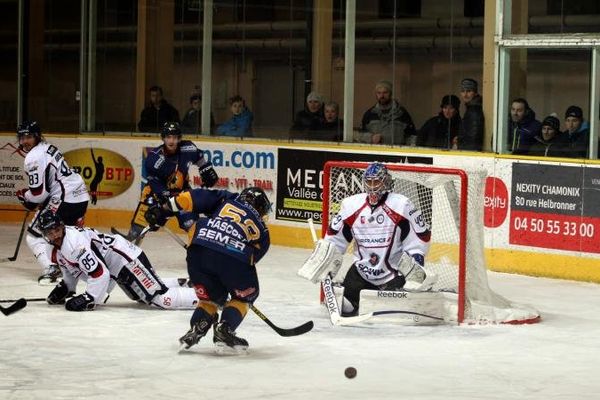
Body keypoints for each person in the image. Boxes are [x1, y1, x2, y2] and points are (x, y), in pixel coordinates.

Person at [297, 162, 435, 317]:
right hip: (360, 273)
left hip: (393, 275)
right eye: (369, 182)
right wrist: (325, 257)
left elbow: (420, 236)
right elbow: (335, 238)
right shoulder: (351, 205)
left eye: (376, 181)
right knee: (344, 307)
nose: (372, 186)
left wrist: (415, 264)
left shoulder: (402, 205)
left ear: (386, 182)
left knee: (388, 315)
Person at [144, 186, 271, 353]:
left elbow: (190, 197)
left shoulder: (226, 198)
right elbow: (250, 260)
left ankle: (197, 327)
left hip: (198, 250)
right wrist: (232, 285)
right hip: (233, 258)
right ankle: (224, 329)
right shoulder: (263, 229)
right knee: (247, 294)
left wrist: (163, 211)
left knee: (210, 298)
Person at [37, 210, 198, 311]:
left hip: (125, 259)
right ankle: (185, 283)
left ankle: (210, 297)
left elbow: (99, 274)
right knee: (139, 297)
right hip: (116, 265)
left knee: (161, 299)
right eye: (50, 233)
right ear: (44, 235)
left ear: (63, 227)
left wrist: (90, 298)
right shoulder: (53, 249)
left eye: (57, 230)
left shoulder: (74, 244)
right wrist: (66, 287)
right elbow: (70, 269)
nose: (55, 235)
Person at [15, 120, 90, 285]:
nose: (24, 141)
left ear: (37, 136)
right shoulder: (47, 147)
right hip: (80, 197)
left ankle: (51, 268)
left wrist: (25, 197)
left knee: (34, 236)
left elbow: (38, 194)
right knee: (65, 234)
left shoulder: (34, 157)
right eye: (21, 137)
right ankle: (81, 264)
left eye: (28, 137)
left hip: (65, 199)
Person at [120, 122, 219, 244]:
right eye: (168, 137)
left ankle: (197, 249)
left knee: (192, 224)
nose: (172, 141)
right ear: (163, 138)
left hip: (182, 193)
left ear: (179, 138)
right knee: (144, 220)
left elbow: (199, 158)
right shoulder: (153, 158)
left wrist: (206, 169)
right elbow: (154, 183)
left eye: (175, 137)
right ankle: (131, 242)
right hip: (156, 195)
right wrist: (166, 198)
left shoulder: (188, 148)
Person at [359, 80, 417, 145]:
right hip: (375, 152)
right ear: (376, 94)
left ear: (391, 93)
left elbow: (412, 136)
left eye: (385, 92)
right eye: (379, 93)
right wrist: (370, 138)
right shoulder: (370, 114)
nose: (382, 96)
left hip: (397, 152)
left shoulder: (401, 113)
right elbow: (360, 135)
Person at [457, 78, 484, 150]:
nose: (465, 95)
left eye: (469, 91)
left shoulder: (474, 110)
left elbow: (473, 141)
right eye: (463, 91)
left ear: (475, 93)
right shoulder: (470, 108)